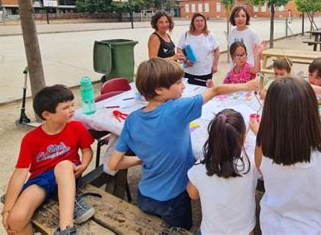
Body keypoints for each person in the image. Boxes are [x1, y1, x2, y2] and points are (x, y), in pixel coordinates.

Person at [108, 58, 258, 230]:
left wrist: (140, 160)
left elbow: (113, 164)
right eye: (179, 83)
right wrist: (247, 86)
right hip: (174, 198)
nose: (184, 86)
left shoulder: (132, 120)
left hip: (145, 195)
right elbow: (216, 90)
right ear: (159, 89)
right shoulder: (177, 109)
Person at [251, 77, 321, 234]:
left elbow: (261, 169)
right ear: (312, 112)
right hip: (314, 228)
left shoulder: (262, 148)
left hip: (272, 226)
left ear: (270, 113)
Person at [2, 85, 95, 235]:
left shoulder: (76, 127)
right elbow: (20, 173)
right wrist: (6, 210)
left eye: (72, 105)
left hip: (68, 175)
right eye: (65, 107)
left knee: (63, 166)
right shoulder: (30, 139)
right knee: (15, 220)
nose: (72, 110)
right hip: (41, 180)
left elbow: (87, 150)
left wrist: (83, 165)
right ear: (47, 115)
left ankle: (67, 229)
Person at [186, 109, 257, 235]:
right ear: (244, 138)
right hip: (244, 231)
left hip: (211, 231)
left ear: (211, 138)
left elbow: (193, 195)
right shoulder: (250, 164)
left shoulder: (201, 166)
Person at [176, 13, 220, 86]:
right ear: (193, 22)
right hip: (189, 72)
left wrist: (215, 65)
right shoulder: (186, 35)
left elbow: (217, 50)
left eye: (201, 21)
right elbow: (179, 49)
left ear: (205, 22)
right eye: (197, 21)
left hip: (205, 72)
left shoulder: (210, 35)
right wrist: (185, 60)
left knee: (205, 93)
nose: (199, 23)